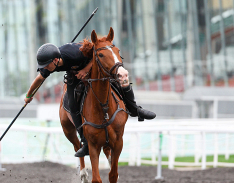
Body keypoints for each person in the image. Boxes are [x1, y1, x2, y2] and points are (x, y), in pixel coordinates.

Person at [24, 43, 156, 157]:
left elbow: (98, 54)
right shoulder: (50, 63)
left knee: (120, 81)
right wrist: (28, 96)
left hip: (94, 66)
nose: (45, 68)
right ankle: (85, 142)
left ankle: (135, 110)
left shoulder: (75, 54)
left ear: (56, 60)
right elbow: (39, 79)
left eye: (47, 66)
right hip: (74, 74)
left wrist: (86, 69)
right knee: (72, 105)